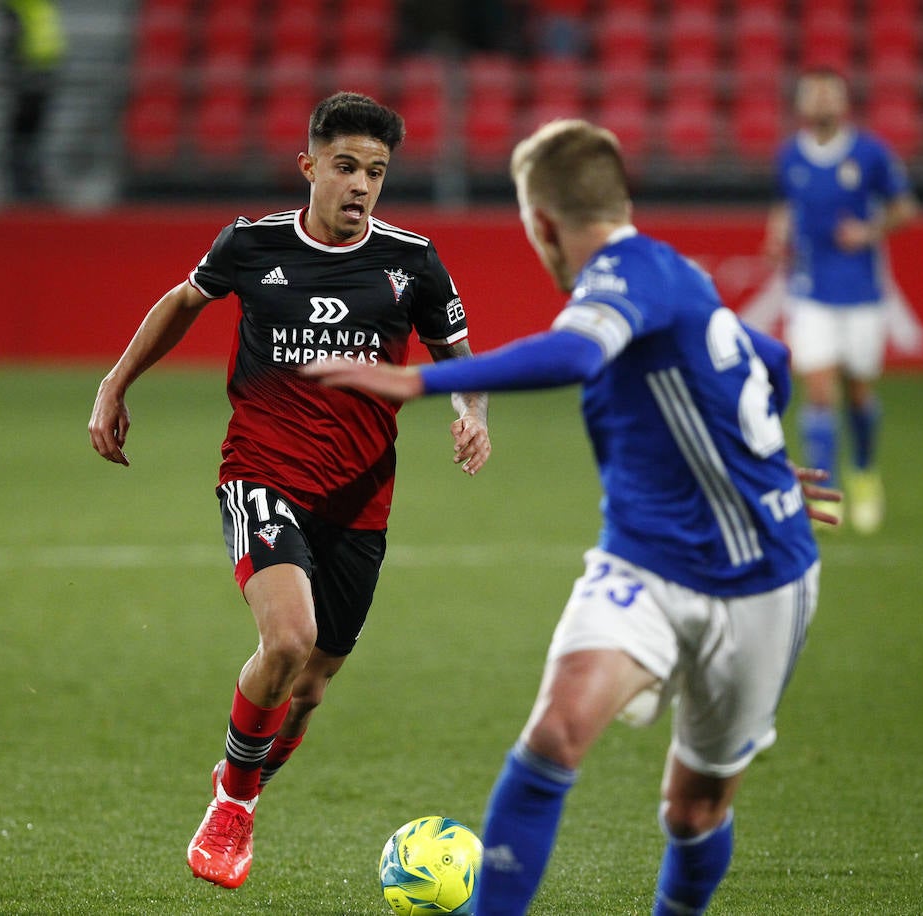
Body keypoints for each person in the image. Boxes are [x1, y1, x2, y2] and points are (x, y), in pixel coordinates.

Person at [306, 119, 839, 915]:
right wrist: (751, 460)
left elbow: (576, 355)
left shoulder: (627, 278)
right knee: (555, 733)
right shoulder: (671, 271)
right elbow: (771, 361)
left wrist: (416, 382)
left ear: (543, 223)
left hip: (760, 580)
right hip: (643, 562)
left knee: (693, 810)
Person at [87, 92, 491, 890]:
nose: (360, 185)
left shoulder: (413, 261)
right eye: (345, 166)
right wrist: (115, 382)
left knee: (308, 690)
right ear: (309, 166)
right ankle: (234, 804)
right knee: (287, 641)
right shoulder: (251, 243)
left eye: (375, 171)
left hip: (359, 500)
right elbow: (184, 301)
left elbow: (459, 354)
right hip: (262, 474)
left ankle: (241, 775)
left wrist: (471, 412)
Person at [763, 67, 917, 533]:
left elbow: (905, 208)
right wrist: (777, 234)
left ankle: (865, 472)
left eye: (829, 94)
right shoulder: (789, 155)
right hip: (810, 290)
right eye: (813, 94)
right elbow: (785, 204)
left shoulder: (869, 153)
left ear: (844, 102)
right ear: (800, 104)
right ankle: (824, 492)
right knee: (819, 391)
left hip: (862, 291)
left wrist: (868, 232)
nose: (821, 102)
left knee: (858, 393)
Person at [0, 0, 64, 200]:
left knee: (30, 134)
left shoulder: (34, 6)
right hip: (30, 75)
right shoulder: (22, 6)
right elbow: (11, 37)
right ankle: (23, 186)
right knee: (24, 134)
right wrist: (18, 71)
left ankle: (29, 183)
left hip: (42, 72)